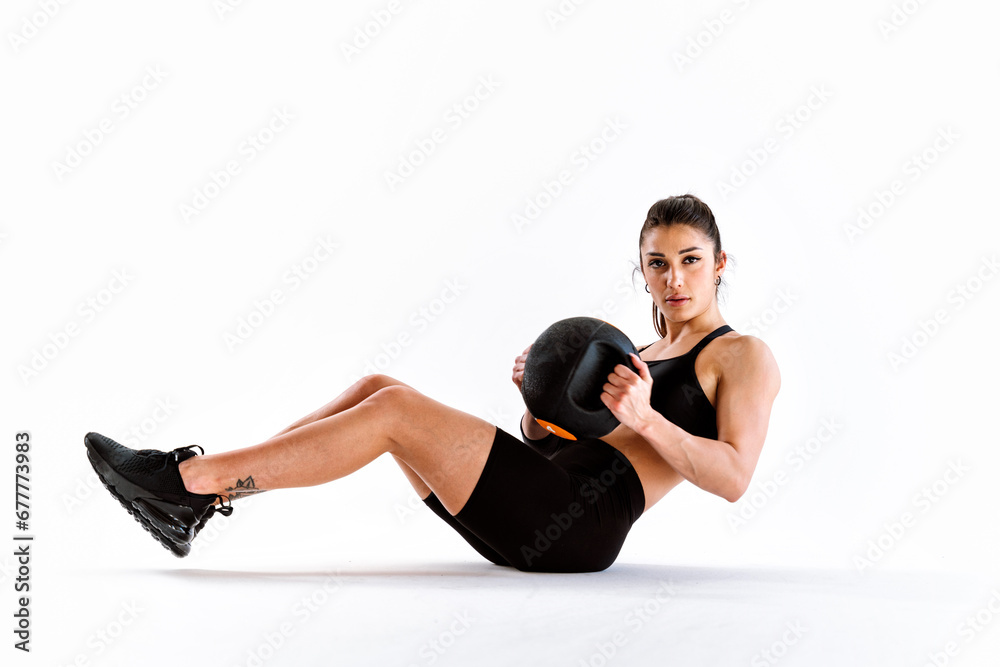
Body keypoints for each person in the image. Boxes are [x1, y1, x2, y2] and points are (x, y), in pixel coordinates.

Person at [85, 193, 780, 572]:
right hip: (546, 498)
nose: (674, 278)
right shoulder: (639, 349)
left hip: (581, 526)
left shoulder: (742, 354)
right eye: (657, 263)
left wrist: (651, 418)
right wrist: (535, 409)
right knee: (377, 385)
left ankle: (189, 483)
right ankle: (208, 498)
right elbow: (545, 446)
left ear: (720, 263)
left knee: (396, 411)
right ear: (642, 270)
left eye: (690, 259)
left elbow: (734, 476)